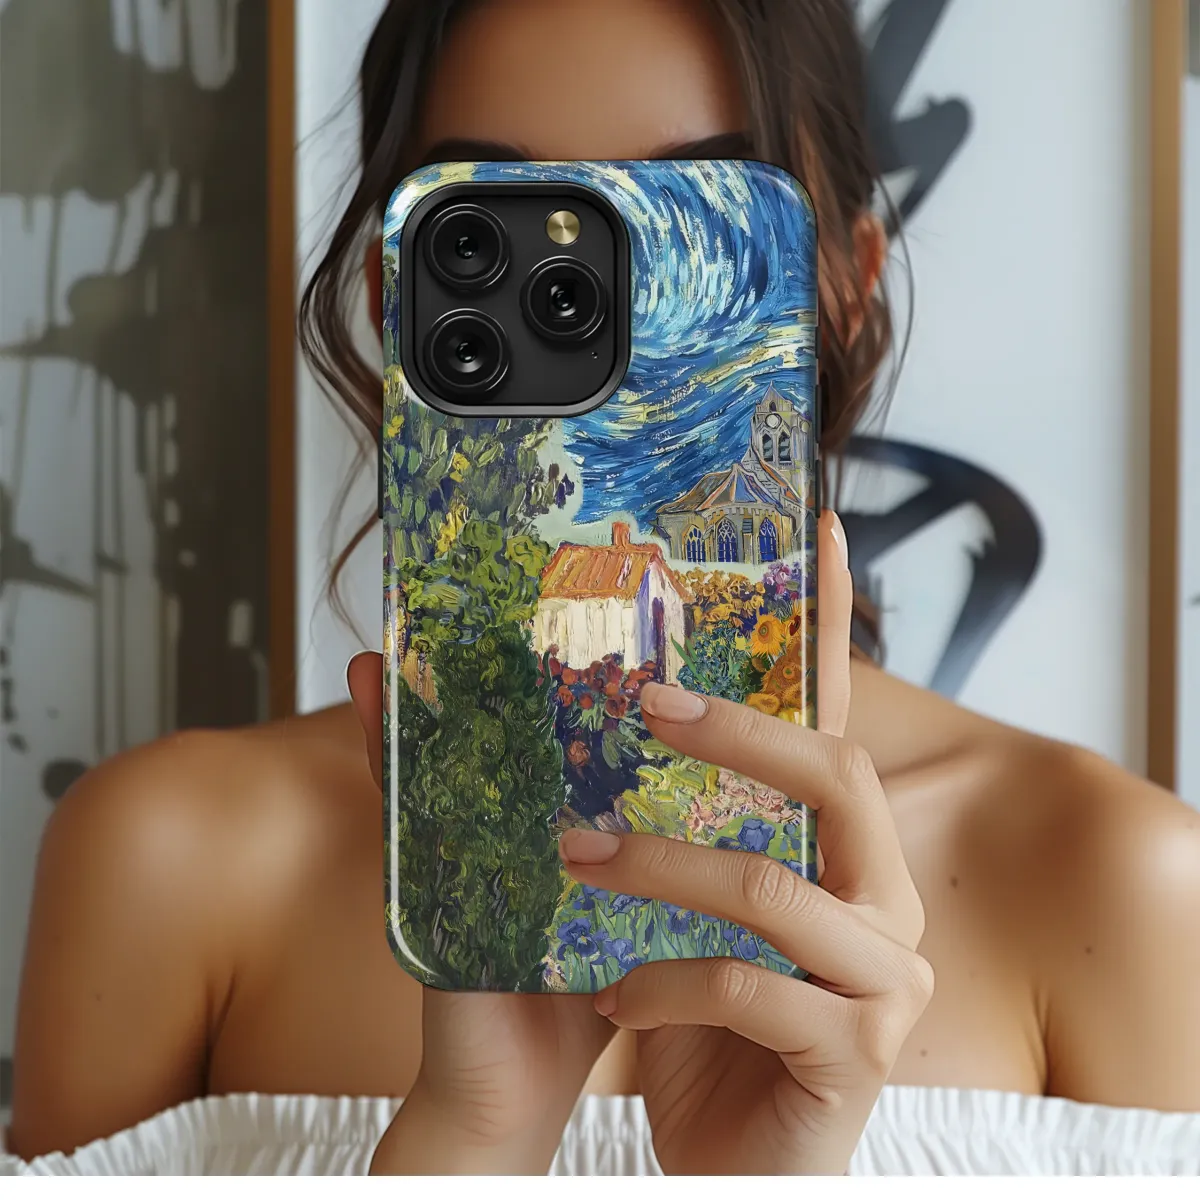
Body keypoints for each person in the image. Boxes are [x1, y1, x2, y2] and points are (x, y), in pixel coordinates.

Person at [7, 0, 1200, 1177]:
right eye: (492, 227)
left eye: (697, 214)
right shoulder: (168, 864)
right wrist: (474, 1140)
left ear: (846, 284)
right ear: (393, 295)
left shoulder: (1117, 884)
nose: (610, 303)